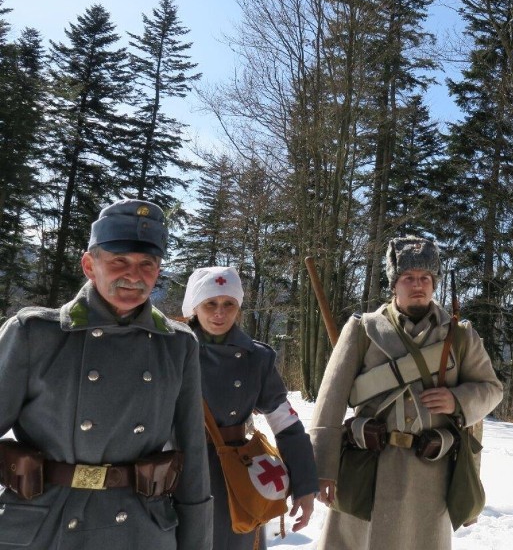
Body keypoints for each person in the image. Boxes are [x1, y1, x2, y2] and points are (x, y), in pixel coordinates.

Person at [0, 199, 212, 549]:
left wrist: (196, 542)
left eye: (147, 264)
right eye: (119, 261)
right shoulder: (33, 334)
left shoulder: (177, 345)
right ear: (89, 264)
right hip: (46, 525)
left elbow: (192, 454)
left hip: (140, 529)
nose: (134, 275)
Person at [310, 236, 503, 550]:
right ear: (394, 284)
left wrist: (457, 400)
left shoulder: (460, 334)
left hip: (429, 474)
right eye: (409, 278)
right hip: (366, 469)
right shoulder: (363, 329)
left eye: (425, 278)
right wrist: (323, 470)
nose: (418, 285)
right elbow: (329, 404)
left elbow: (492, 390)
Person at [181, 266, 319, 549]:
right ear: (195, 307)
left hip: (235, 478)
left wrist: (305, 485)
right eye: (210, 303)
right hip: (178, 470)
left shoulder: (257, 358)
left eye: (228, 304)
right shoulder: (172, 349)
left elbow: (286, 423)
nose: (220, 312)